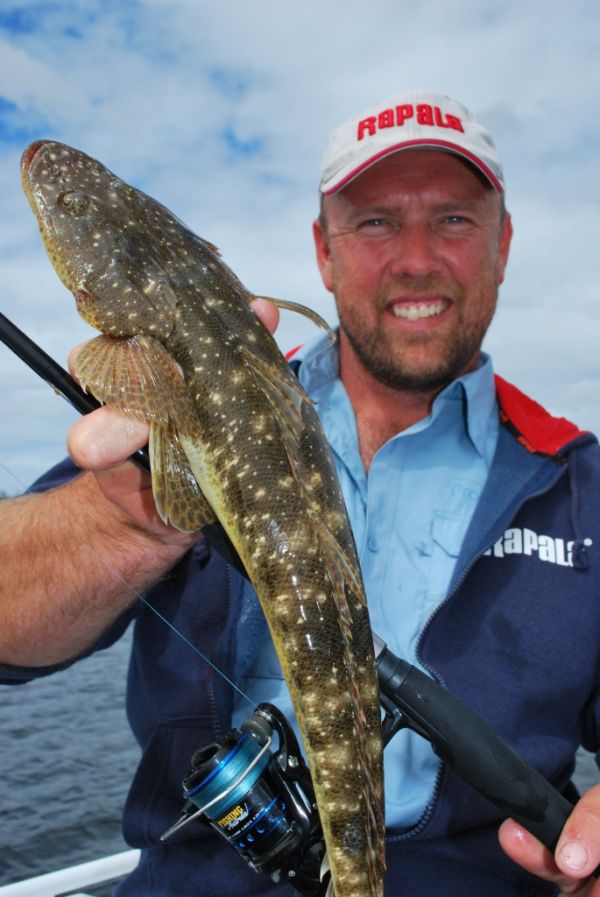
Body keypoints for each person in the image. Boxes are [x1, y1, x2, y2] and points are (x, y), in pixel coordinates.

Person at [1, 88, 599, 897]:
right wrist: (129, 515)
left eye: (454, 218)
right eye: (377, 221)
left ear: (504, 243)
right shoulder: (157, 418)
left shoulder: (577, 481)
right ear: (323, 250)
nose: (416, 257)